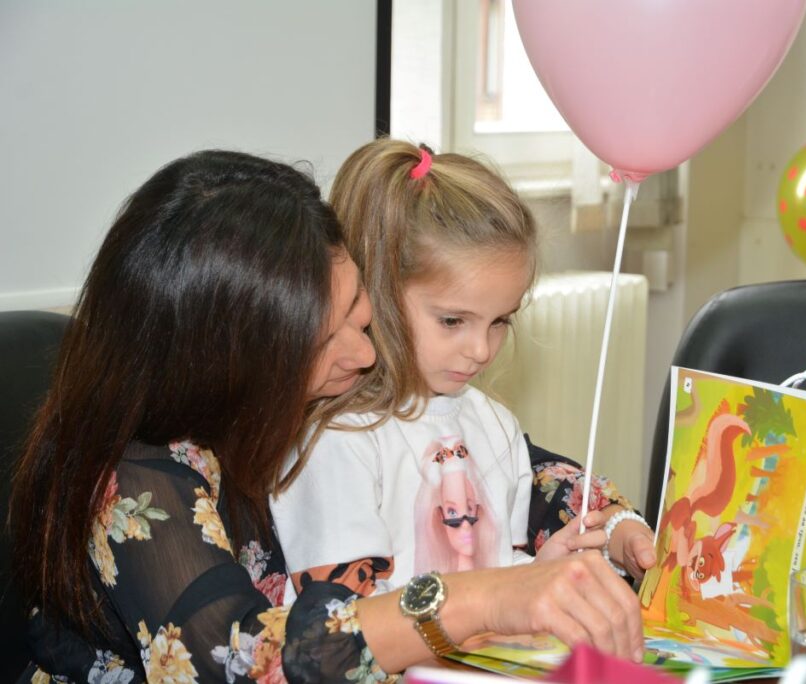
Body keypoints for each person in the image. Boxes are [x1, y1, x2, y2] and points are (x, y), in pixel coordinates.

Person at [9, 150, 644, 683]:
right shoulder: (135, 478)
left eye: (359, 313)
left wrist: (614, 522)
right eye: (322, 338)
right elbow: (241, 660)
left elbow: (517, 469)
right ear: (229, 359)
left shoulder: (293, 395)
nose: (366, 355)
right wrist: (484, 599)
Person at [271, 138, 656, 605]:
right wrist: (508, 596)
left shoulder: (495, 426)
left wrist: (540, 573)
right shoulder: (339, 440)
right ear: (382, 291)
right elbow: (345, 618)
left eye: (500, 321)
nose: (480, 350)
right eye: (453, 321)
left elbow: (495, 570)